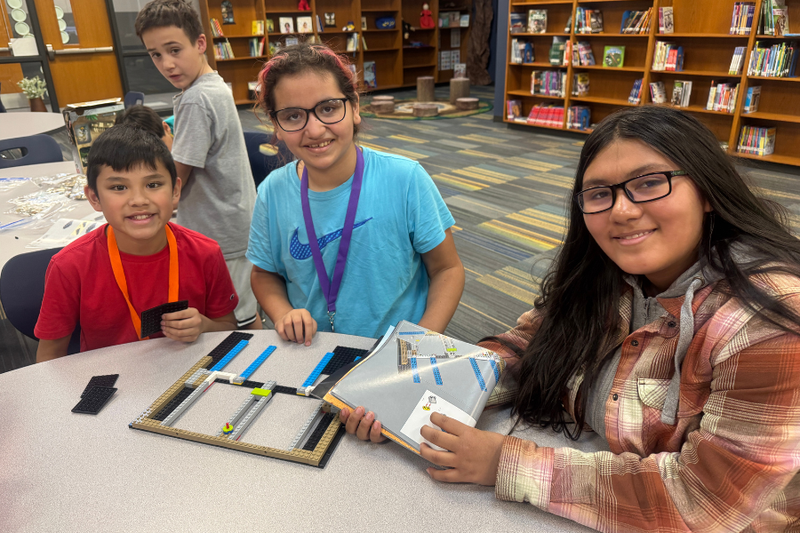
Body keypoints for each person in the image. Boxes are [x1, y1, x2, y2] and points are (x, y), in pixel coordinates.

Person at [343, 106, 800, 532]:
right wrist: (418, 400)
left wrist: (505, 463)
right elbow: (526, 345)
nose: (622, 210)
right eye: (600, 194)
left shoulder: (767, 321)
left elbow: (703, 500)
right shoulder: (609, 273)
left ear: (706, 190)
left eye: (648, 183)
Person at [247, 43, 464, 345]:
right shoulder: (272, 191)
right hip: (313, 350)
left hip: (396, 350)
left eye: (328, 108)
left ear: (354, 108)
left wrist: (420, 340)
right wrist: (283, 313)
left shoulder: (405, 179)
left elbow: (447, 269)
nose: (314, 130)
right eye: (293, 116)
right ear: (277, 126)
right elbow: (263, 274)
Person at [35, 125, 239, 361]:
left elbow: (228, 326)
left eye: (153, 185)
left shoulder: (206, 252)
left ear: (175, 191)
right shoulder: (69, 266)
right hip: (108, 378)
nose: (139, 200)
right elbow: (50, 356)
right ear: (94, 197)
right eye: (119, 187)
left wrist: (203, 326)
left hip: (187, 371)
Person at [135, 0, 260, 330]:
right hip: (231, 221)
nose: (167, 63)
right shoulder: (212, 85)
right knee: (241, 314)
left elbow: (176, 177)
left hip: (219, 230)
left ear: (200, 43)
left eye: (174, 50)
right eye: (155, 54)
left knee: (240, 322)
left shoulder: (195, 98)